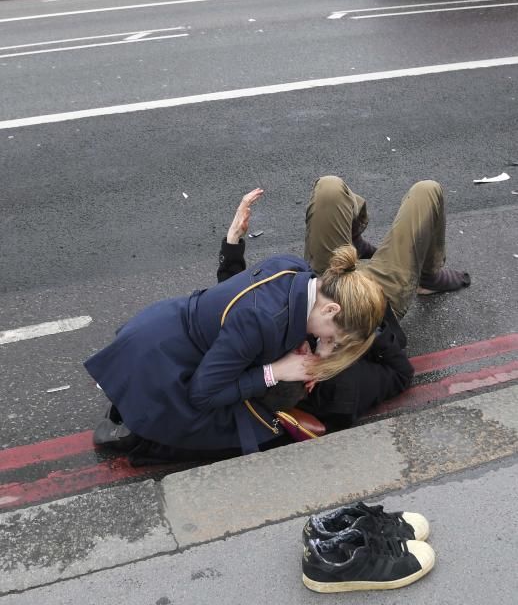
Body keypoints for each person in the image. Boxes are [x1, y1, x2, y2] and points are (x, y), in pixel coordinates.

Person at [84, 190, 386, 458]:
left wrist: (232, 244)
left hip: (161, 330)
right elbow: (203, 394)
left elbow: (237, 307)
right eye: (333, 337)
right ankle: (140, 428)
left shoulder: (292, 269)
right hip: (164, 366)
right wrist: (275, 371)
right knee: (252, 433)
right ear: (332, 309)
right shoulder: (263, 321)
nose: (326, 343)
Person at [216, 177, 470, 430]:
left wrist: (233, 242)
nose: (304, 347)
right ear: (310, 382)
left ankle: (353, 243)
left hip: (328, 281)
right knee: (427, 191)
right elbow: (402, 374)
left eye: (294, 354)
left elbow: (236, 307)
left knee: (329, 188)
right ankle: (428, 275)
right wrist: (367, 326)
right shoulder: (342, 395)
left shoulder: (264, 347)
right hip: (379, 295)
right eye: (327, 344)